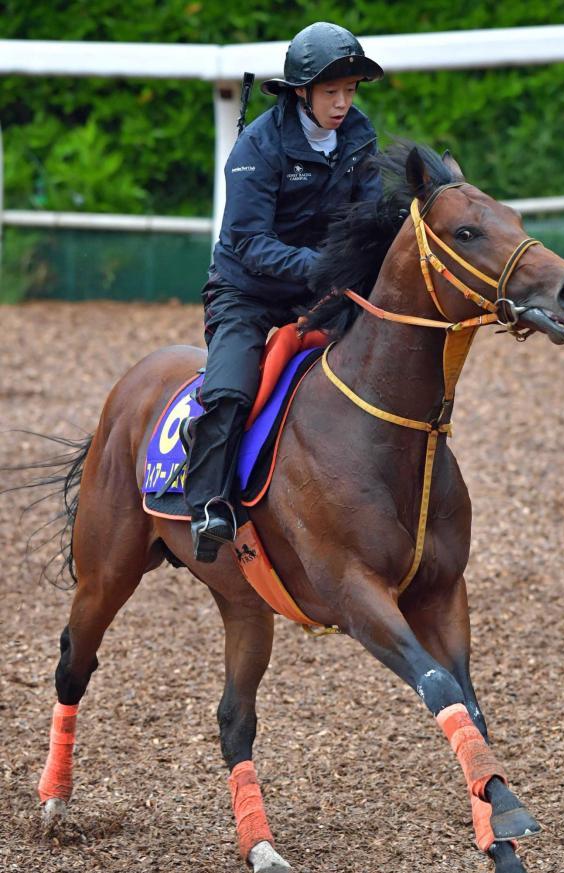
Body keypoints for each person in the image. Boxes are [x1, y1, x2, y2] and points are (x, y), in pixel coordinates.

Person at [185, 21, 384, 562]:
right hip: (245, 290)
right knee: (230, 390)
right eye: (331, 92)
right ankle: (207, 505)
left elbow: (368, 222)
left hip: (319, 290)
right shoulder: (257, 145)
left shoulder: (361, 136)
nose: (343, 103)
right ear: (301, 91)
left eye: (350, 90)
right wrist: (324, 265)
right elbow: (247, 242)